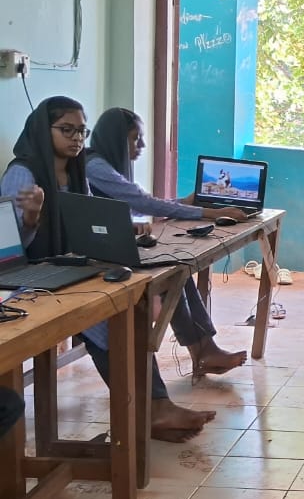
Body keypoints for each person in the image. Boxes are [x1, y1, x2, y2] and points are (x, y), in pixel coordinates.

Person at [1, 97, 214, 443]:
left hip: (67, 266)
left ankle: (154, 406)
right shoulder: (23, 173)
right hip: (29, 279)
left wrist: (119, 231)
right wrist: (31, 215)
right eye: (66, 130)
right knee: (106, 320)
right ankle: (153, 408)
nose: (76, 138)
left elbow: (84, 220)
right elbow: (11, 249)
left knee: (127, 304)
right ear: (43, 129)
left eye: (81, 131)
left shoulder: (75, 169)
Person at [85, 107, 247, 376]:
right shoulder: (95, 166)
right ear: (116, 139)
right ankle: (203, 351)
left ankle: (205, 350)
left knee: (178, 269)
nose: (141, 146)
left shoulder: (104, 164)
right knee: (172, 272)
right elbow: (144, 202)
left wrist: (182, 203)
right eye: (135, 139)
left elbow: (139, 204)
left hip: (108, 248)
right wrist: (210, 212)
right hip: (97, 257)